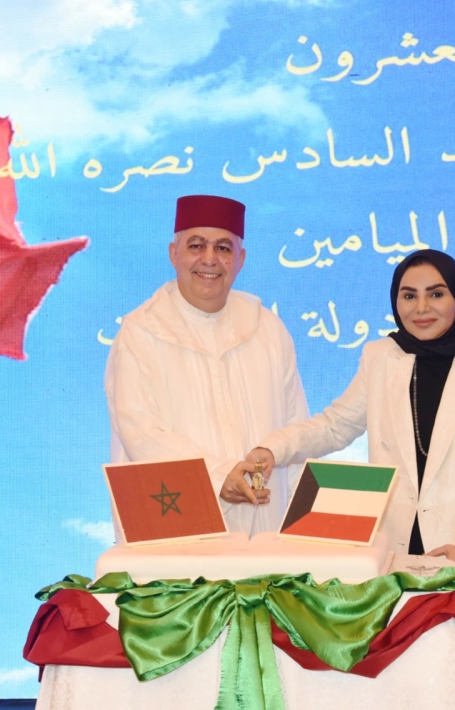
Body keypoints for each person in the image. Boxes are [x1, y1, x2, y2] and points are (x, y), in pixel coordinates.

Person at [251, 250, 455, 710]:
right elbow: (335, 425)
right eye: (409, 296)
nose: (421, 308)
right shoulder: (381, 357)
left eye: (436, 294)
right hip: (396, 566)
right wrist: (271, 450)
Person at [104, 194, 309, 536]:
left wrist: (303, 530)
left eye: (223, 248)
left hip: (265, 533)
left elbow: (295, 430)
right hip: (177, 526)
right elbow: (140, 432)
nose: (210, 259)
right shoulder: (140, 332)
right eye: (196, 246)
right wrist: (217, 476)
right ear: (174, 253)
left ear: (241, 259)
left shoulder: (268, 329)